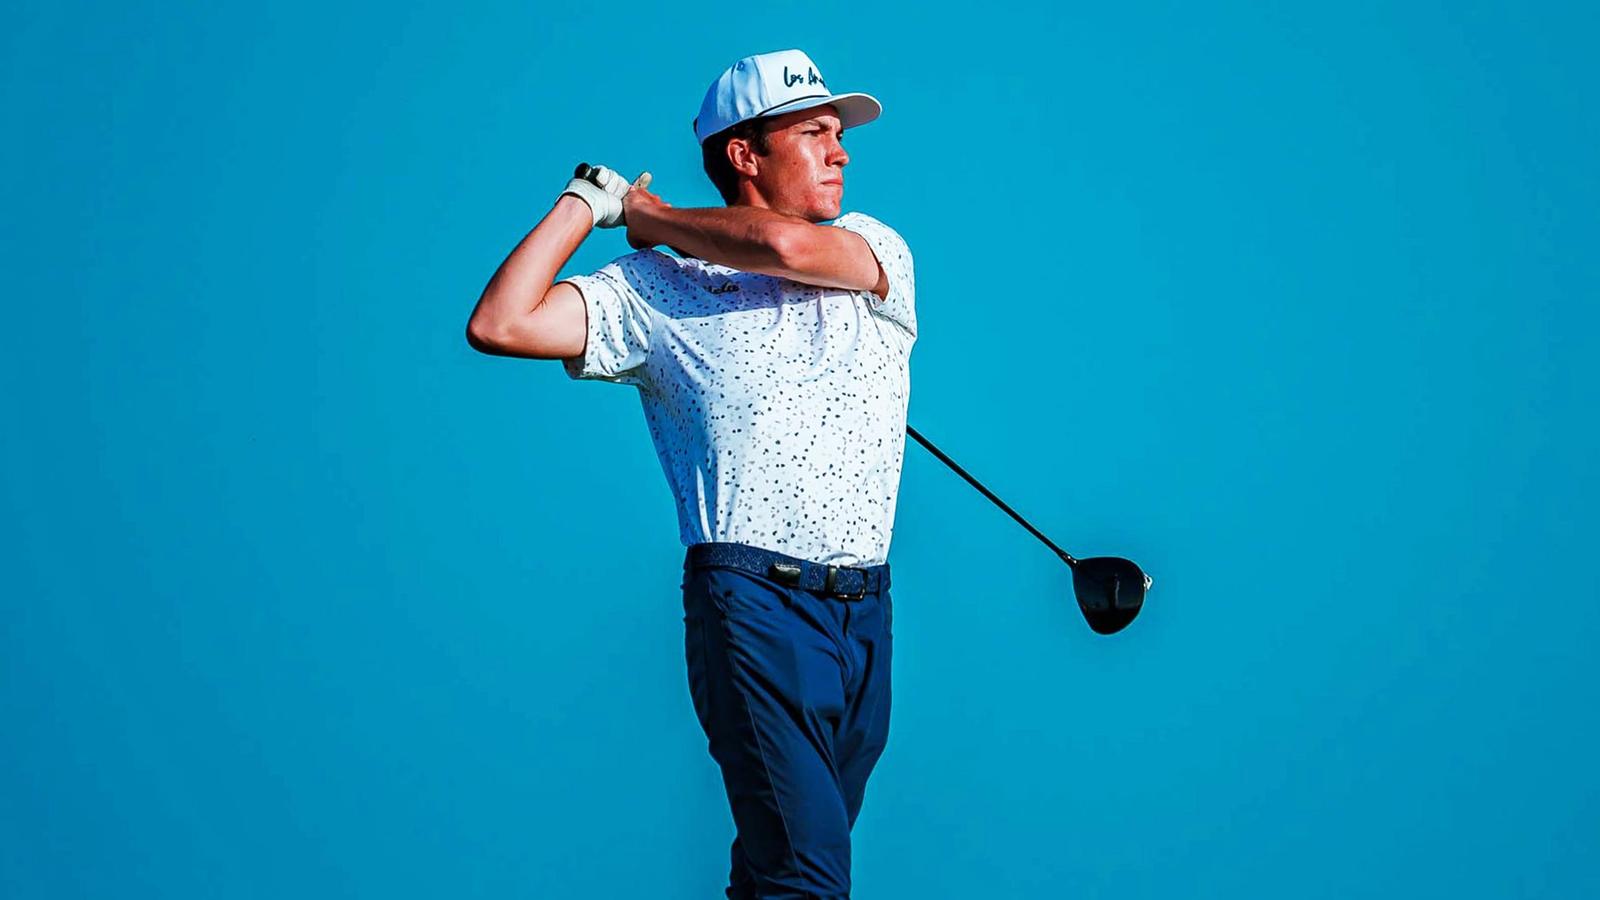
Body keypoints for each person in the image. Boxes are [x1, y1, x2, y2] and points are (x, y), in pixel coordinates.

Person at [465, 48, 916, 899]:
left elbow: (781, 244)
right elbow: (501, 322)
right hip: (753, 602)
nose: (841, 151)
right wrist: (587, 204)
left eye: (839, 133)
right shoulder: (653, 290)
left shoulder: (871, 246)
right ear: (745, 154)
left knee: (779, 869)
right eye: (814, 133)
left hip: (867, 617)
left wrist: (654, 215)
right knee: (807, 875)